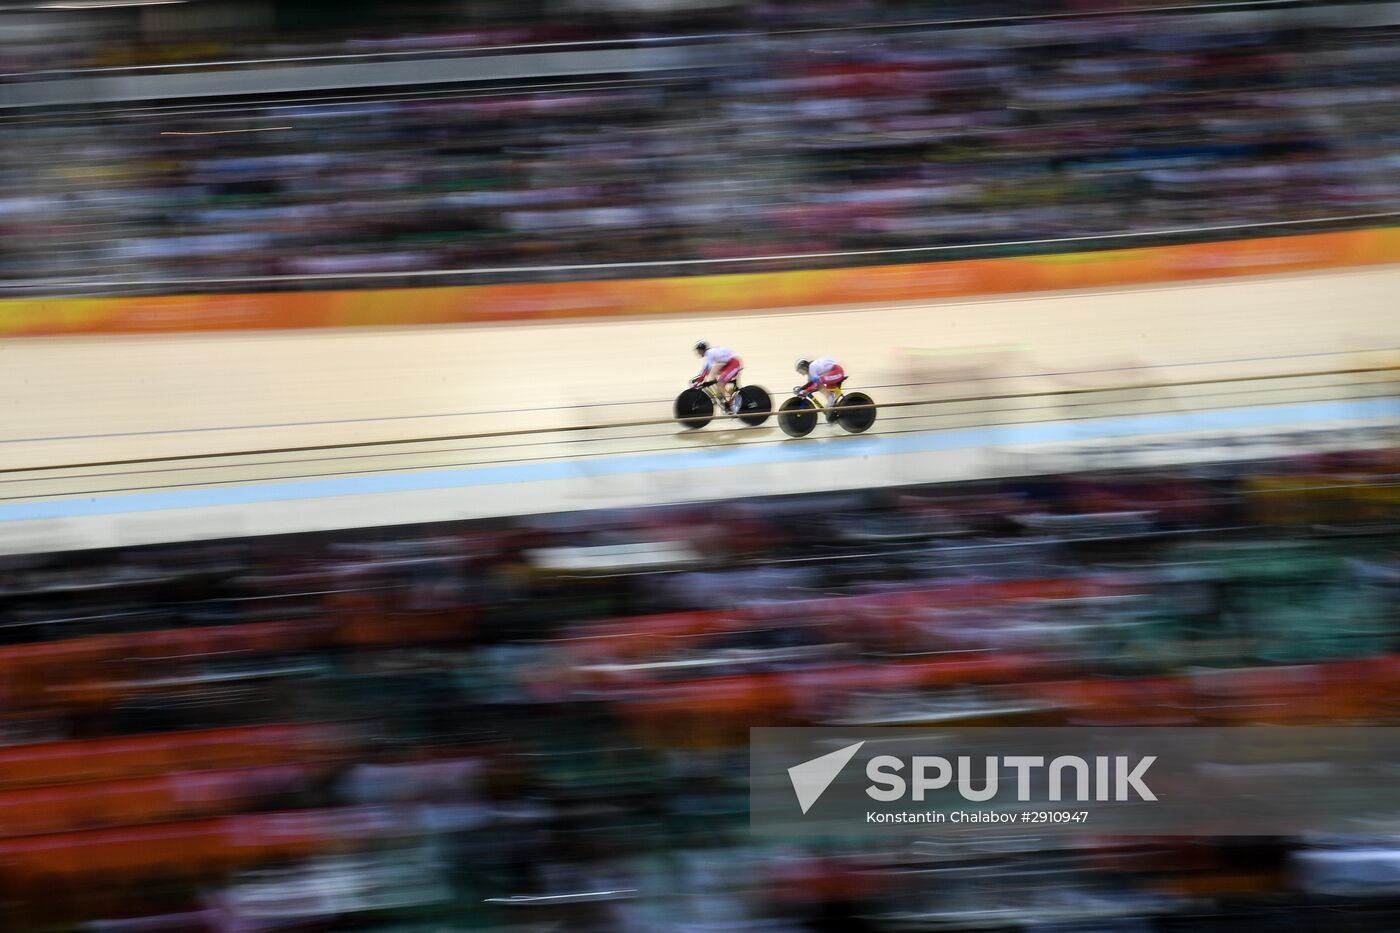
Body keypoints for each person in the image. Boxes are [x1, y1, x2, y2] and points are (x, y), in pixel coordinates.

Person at [692, 340, 744, 413]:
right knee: (714, 375)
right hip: (730, 363)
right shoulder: (710, 352)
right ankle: (725, 398)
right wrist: (700, 378)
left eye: (698, 350)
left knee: (720, 385)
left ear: (701, 349)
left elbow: (706, 368)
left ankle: (731, 404)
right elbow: (707, 369)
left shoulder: (709, 353)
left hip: (734, 363)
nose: (698, 353)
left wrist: (699, 380)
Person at [795, 357, 847, 423]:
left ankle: (831, 399)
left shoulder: (812, 368)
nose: (800, 373)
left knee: (820, 381)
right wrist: (802, 389)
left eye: (799, 371)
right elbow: (810, 382)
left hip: (837, 372)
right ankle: (832, 406)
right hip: (833, 372)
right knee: (819, 382)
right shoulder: (811, 370)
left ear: (803, 367)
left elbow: (816, 383)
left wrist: (805, 391)